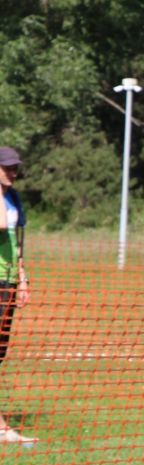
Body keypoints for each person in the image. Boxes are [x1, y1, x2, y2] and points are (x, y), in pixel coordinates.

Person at [0, 147, 34, 446]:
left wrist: (22, 280)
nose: (13, 172)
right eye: (7, 168)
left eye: (15, 168)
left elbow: (17, 241)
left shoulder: (13, 198)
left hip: (7, 280)